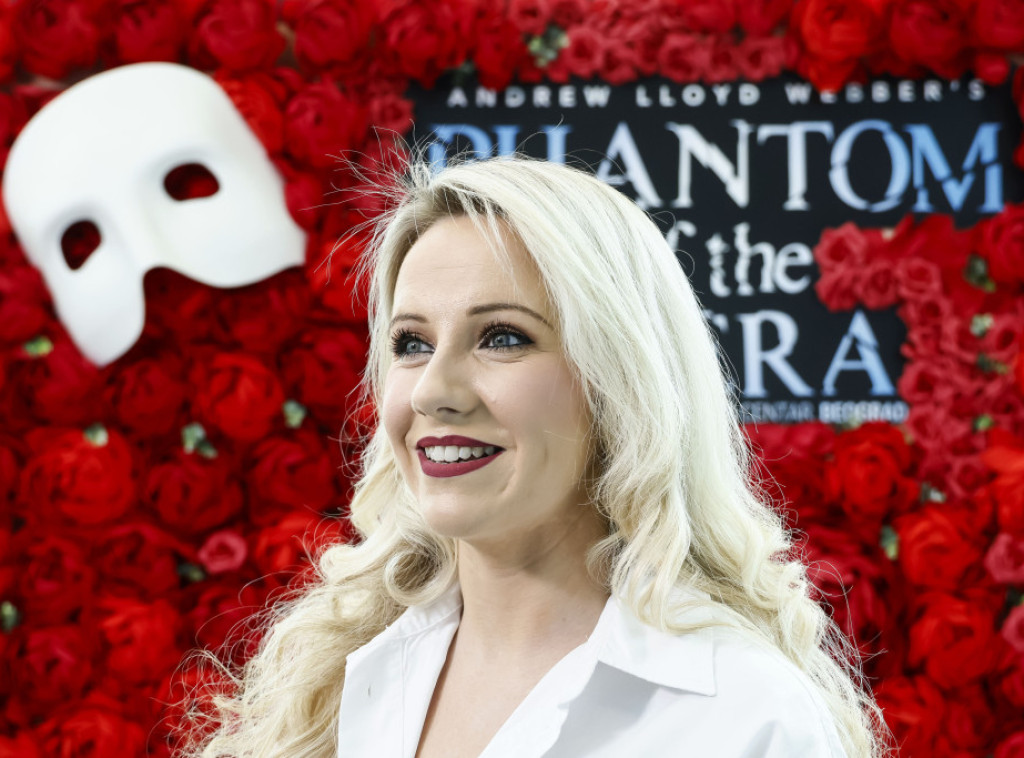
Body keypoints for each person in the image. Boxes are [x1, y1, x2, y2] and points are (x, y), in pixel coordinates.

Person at [180, 157, 891, 757]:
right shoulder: (328, 681)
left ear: (619, 382)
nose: (433, 391)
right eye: (412, 343)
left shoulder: (742, 717)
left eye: (502, 337)